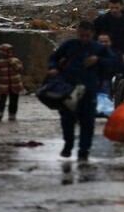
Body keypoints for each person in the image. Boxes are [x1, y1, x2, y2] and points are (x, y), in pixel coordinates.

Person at [47, 21, 115, 161]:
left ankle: (84, 150)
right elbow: (53, 58)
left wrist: (97, 60)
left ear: (92, 34)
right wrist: (53, 68)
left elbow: (115, 63)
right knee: (67, 119)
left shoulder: (98, 49)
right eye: (81, 35)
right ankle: (68, 144)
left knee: (87, 122)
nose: (84, 39)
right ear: (77, 33)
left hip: (89, 90)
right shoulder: (69, 45)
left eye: (87, 36)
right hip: (69, 89)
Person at [0, 43, 23, 122]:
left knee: (14, 100)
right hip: (3, 85)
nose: (9, 53)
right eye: (7, 51)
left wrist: (14, 64)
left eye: (10, 51)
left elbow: (20, 70)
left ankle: (12, 113)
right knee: (2, 99)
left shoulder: (16, 60)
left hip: (15, 84)